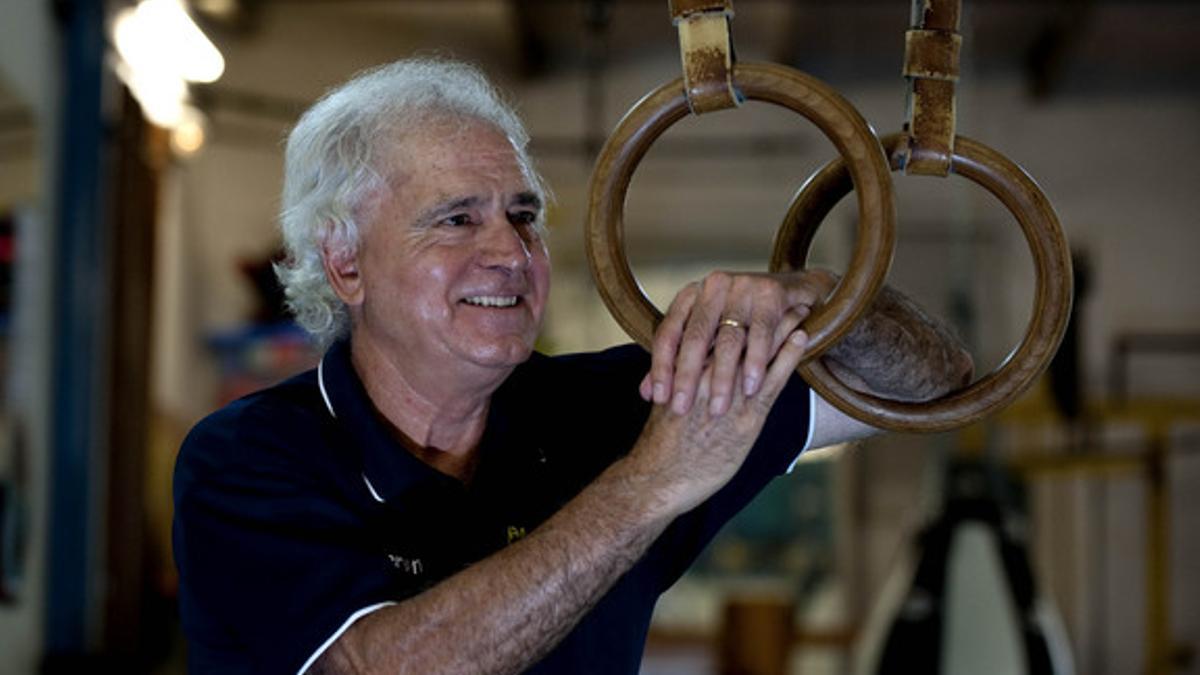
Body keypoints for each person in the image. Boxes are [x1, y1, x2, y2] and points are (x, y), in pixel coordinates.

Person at [173, 58, 973, 675]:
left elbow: (936, 386)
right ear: (345, 263)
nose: (510, 254)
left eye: (524, 217)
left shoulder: (610, 406)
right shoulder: (247, 458)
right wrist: (651, 484)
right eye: (457, 219)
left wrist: (818, 297)